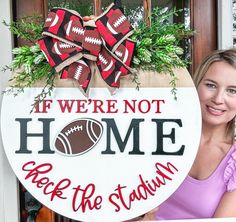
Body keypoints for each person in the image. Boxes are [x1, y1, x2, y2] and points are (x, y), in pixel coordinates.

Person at [143, 48, 236, 220]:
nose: (218, 98)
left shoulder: (234, 164)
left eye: (232, 91)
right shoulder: (159, 135)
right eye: (211, 85)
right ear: (196, 85)